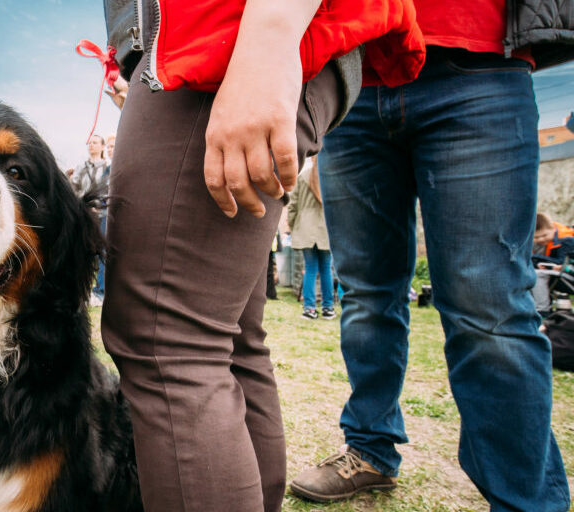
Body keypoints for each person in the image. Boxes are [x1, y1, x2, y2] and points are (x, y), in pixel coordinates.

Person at [100, 0, 423, 510]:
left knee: (170, 343)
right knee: (227, 343)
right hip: (233, 42)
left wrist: (267, 41)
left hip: (226, 37)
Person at [288, 2, 574, 509]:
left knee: (490, 305)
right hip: (352, 80)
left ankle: (525, 500)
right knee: (365, 295)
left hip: (478, 63)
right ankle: (370, 448)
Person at [286, 158, 334, 320]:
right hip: (326, 228)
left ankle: (309, 308)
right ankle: (328, 308)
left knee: (311, 268)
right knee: (326, 268)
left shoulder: (302, 176)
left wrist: (292, 226)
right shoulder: (330, 176)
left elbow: (293, 205)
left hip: (306, 229)